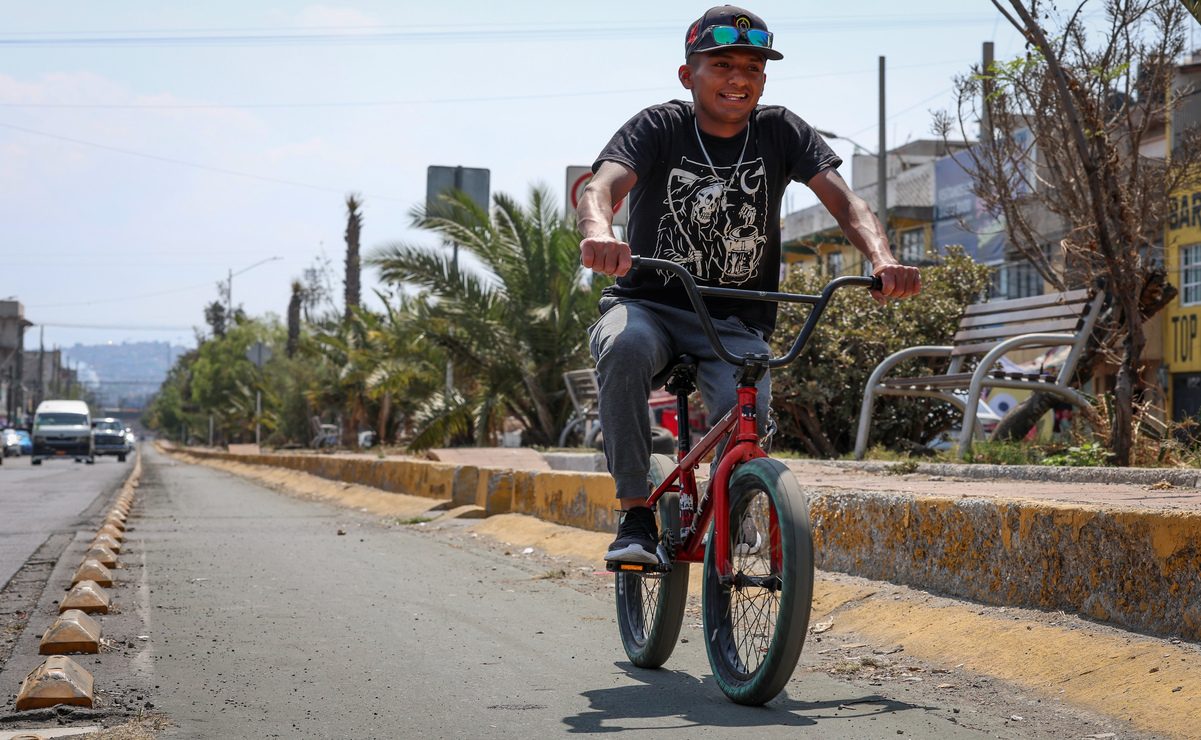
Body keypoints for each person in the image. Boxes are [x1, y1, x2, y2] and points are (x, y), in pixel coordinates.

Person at [577, 6, 921, 564]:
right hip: (647, 305)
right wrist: (600, 232)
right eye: (722, 64)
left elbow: (847, 204)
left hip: (733, 320)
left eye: (753, 68)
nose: (739, 78)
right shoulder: (658, 127)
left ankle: (734, 506)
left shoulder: (779, 130)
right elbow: (600, 188)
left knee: (749, 415)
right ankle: (635, 514)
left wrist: (883, 259)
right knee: (624, 347)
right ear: (688, 75)